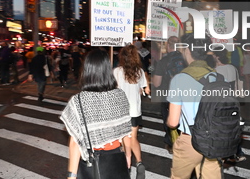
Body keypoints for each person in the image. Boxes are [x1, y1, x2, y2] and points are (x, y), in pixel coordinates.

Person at [60, 49, 132, 179]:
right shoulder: (120, 95)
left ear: (87, 70)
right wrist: (128, 155)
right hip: (116, 158)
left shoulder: (79, 101)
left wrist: (71, 176)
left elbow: (75, 143)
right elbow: (126, 131)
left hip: (93, 160)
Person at [167, 32, 222, 179]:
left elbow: (173, 122)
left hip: (190, 140)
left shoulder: (180, 79)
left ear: (188, 50)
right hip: (213, 139)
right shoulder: (217, 76)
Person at [113, 45, 150, 179]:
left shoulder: (117, 72)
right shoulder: (139, 71)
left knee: (123, 138)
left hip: (121, 110)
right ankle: (139, 163)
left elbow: (113, 90)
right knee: (133, 138)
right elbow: (142, 90)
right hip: (134, 110)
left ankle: (127, 165)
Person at [153, 36, 186, 154]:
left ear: (168, 46)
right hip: (185, 94)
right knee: (183, 119)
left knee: (170, 120)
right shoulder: (186, 60)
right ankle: (185, 141)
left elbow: (157, 83)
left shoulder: (163, 61)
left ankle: (172, 144)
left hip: (168, 95)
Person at [213, 49, 246, 162]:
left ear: (217, 57)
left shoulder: (216, 70)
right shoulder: (232, 68)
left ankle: (223, 154)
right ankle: (238, 152)